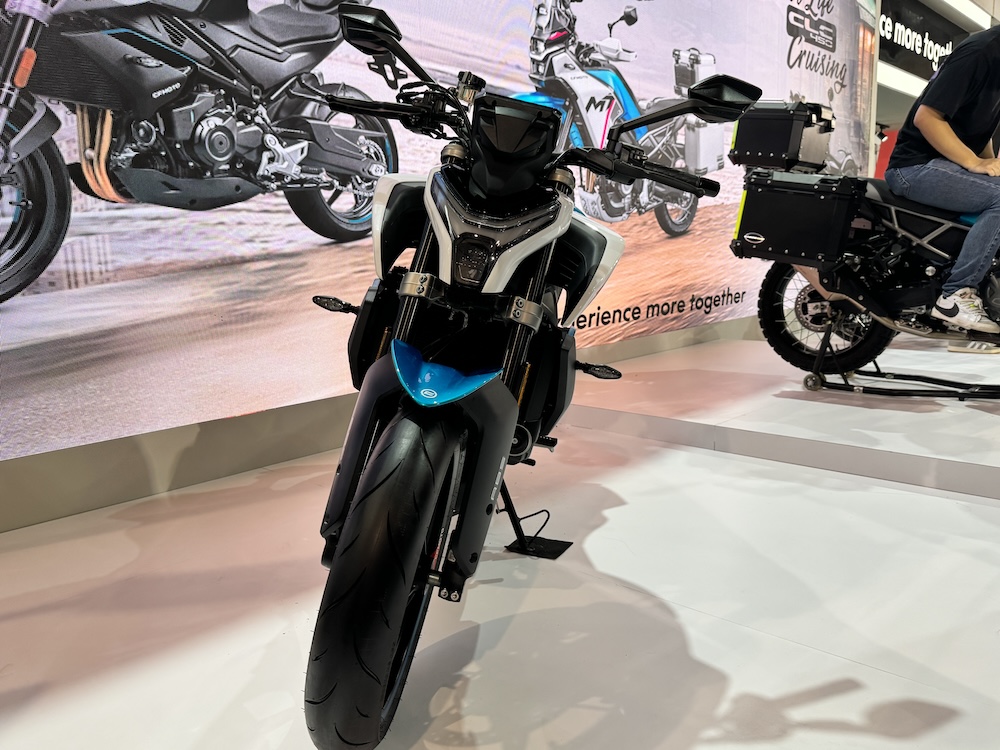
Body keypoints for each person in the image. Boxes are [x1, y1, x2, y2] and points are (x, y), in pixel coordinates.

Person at [885, 25, 1000, 335]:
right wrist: (974, 163)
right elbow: (927, 118)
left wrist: (988, 163)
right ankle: (956, 294)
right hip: (914, 168)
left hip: (946, 167)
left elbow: (979, 131)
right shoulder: (980, 52)